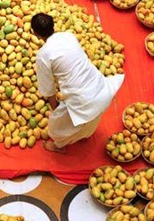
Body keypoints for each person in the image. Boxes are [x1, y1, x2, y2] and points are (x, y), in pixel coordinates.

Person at [31, 13, 124, 153]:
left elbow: (48, 89)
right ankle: (84, 135)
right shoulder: (68, 36)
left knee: (57, 127)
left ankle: (58, 146)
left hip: (82, 97)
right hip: (100, 86)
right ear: (53, 25)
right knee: (92, 114)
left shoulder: (43, 55)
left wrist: (55, 109)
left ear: (35, 34)